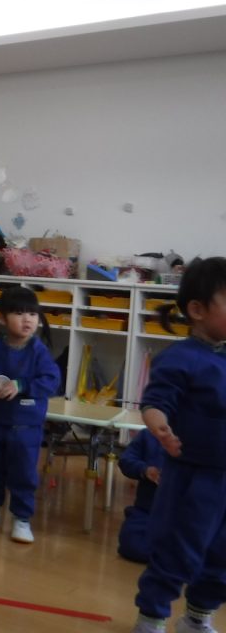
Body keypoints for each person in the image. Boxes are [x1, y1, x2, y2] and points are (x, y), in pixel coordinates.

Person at [132, 257, 226, 633]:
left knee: (221, 556)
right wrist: (160, 426)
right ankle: (152, 618)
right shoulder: (180, 357)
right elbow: (156, 401)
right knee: (176, 550)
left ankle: (197, 617)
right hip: (193, 477)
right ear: (197, 310)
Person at [0, 286, 60, 544]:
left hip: (26, 427)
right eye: (19, 313)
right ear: (2, 318)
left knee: (24, 474)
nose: (27, 319)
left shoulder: (39, 351)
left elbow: (51, 381)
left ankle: (22, 518)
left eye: (32, 314)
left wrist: (22, 385)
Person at [118, 429, 165, 564]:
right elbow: (126, 460)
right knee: (131, 542)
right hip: (147, 510)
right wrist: (145, 470)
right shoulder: (148, 435)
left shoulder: (199, 439)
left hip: (186, 515)